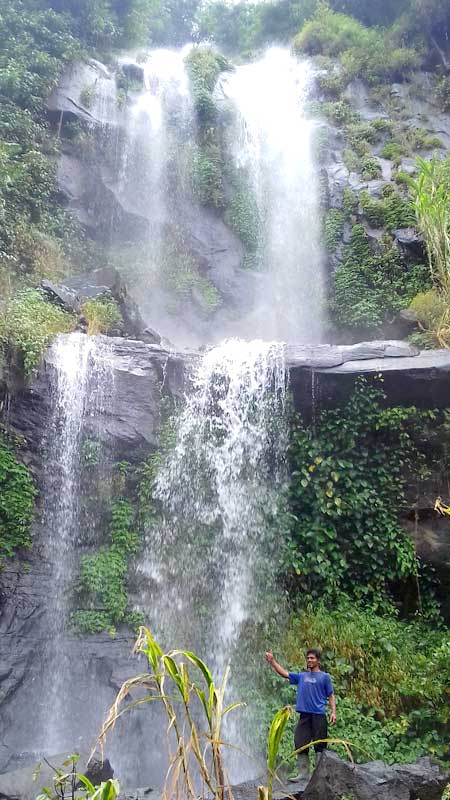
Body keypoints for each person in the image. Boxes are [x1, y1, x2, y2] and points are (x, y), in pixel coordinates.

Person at [265, 648, 336, 781]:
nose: (309, 660)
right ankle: (303, 774)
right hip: (304, 715)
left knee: (320, 745)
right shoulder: (302, 676)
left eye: (312, 658)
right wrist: (272, 662)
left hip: (318, 715)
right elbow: (285, 674)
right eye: (308, 658)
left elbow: (331, 696)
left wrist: (333, 712)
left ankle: (318, 775)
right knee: (300, 742)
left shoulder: (324, 677)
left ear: (318, 661)